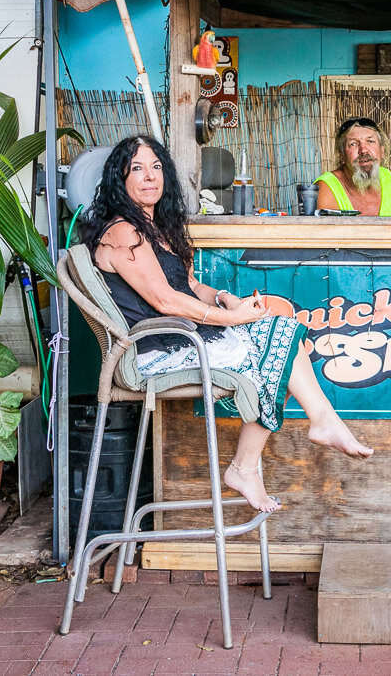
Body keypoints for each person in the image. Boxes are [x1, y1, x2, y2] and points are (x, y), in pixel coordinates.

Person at [79, 135, 372, 513]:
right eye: (137, 168)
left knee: (280, 341)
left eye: (155, 167)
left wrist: (224, 299)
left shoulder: (156, 227)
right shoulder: (124, 232)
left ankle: (277, 448)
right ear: (120, 179)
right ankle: (268, 452)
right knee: (279, 342)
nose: (149, 176)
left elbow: (189, 287)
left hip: (181, 339)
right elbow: (166, 301)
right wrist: (234, 318)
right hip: (152, 351)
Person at [316, 117, 391, 216]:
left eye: (370, 141)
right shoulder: (327, 187)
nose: (363, 150)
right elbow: (329, 236)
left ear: (382, 151)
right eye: (353, 144)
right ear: (341, 155)